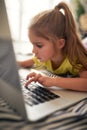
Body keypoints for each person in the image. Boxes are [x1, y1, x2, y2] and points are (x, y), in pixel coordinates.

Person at [18, 2, 87, 91]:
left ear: (60, 44)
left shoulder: (75, 59)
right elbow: (24, 63)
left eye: (39, 45)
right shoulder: (44, 57)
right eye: (33, 44)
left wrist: (53, 81)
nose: (33, 51)